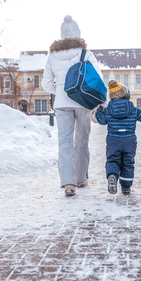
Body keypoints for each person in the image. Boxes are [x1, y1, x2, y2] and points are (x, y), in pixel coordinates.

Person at [42, 15, 107, 197]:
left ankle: (68, 183)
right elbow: (97, 81)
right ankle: (80, 178)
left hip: (62, 104)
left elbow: (46, 84)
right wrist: (105, 103)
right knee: (82, 140)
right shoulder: (86, 54)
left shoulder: (52, 56)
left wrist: (61, 90)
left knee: (64, 143)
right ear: (78, 34)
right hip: (84, 102)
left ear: (62, 36)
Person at [95, 80, 141, 195]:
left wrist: (99, 111)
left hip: (113, 140)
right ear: (126, 94)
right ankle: (126, 187)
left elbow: (101, 120)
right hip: (129, 140)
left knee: (113, 160)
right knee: (128, 163)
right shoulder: (133, 109)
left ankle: (112, 176)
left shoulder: (109, 109)